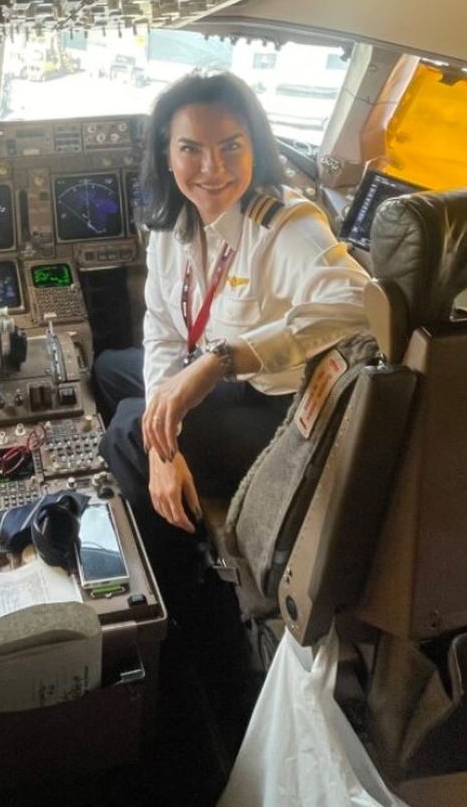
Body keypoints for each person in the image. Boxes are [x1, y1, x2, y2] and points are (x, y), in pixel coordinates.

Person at [94, 72, 369, 610]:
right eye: (191, 149)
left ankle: (180, 594)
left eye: (230, 147)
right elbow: (163, 328)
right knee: (109, 369)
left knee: (127, 432)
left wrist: (220, 362)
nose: (212, 168)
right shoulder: (170, 225)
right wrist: (164, 432)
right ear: (167, 155)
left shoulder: (286, 225)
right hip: (208, 376)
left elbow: (358, 303)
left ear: (253, 149)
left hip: (273, 405)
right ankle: (165, 488)